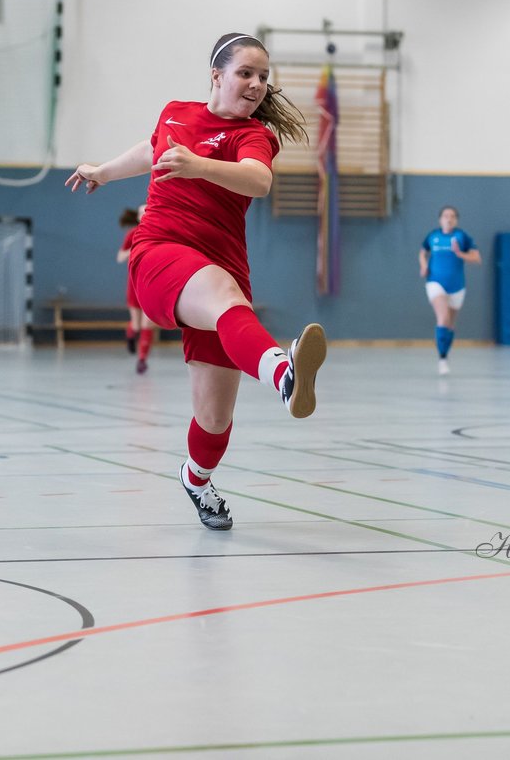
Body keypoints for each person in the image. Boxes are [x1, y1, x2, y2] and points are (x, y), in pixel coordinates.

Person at [66, 32, 326, 531]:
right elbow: (151, 149)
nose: (256, 84)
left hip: (223, 264)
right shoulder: (175, 113)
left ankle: (197, 478)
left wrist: (198, 164)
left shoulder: (253, 136)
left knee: (214, 417)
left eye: (263, 77)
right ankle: (283, 373)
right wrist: (102, 171)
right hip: (160, 252)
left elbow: (259, 179)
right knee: (223, 294)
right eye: (245, 73)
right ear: (217, 75)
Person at [418, 206, 481, 375]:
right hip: (435, 282)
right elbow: (422, 252)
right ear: (440, 219)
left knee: (450, 325)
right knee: (443, 318)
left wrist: (461, 254)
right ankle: (442, 358)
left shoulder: (462, 236)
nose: (449, 219)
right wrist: (424, 266)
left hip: (457, 286)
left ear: (456, 220)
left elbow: (477, 258)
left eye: (452, 216)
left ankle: (445, 353)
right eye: (446, 216)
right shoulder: (433, 236)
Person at [117, 203, 157, 373]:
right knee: (137, 325)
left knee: (149, 324)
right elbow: (120, 257)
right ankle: (131, 335)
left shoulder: (159, 231)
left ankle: (142, 360)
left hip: (153, 283)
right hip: (135, 283)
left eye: (147, 210)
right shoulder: (132, 235)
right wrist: (135, 249)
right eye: (142, 212)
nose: (144, 214)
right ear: (138, 216)